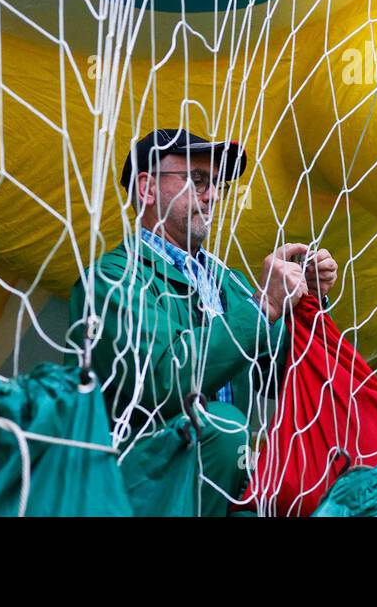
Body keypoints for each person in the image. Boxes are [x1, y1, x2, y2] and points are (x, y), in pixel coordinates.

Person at [70, 128, 338, 515]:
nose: (212, 195)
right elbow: (164, 380)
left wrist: (308, 300)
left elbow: (290, 377)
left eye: (216, 184)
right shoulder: (111, 279)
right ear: (146, 189)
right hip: (135, 489)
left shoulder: (228, 281)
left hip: (224, 485)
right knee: (225, 425)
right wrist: (262, 308)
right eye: (196, 180)